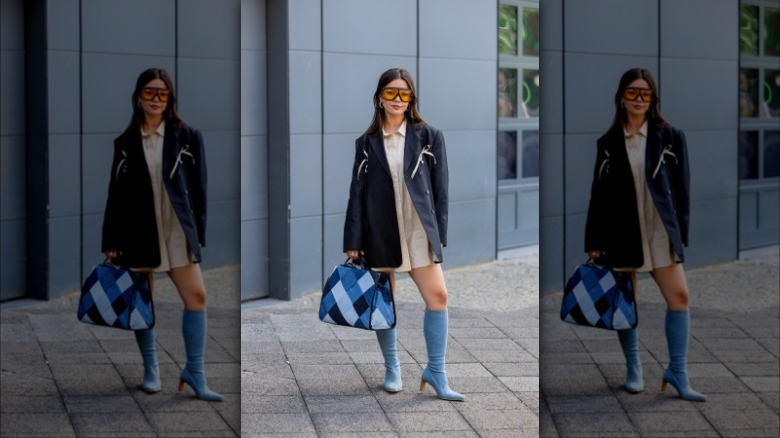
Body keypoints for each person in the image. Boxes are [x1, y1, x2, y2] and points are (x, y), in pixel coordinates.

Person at [585, 67, 705, 402]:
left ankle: (677, 371)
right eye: (632, 92)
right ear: (621, 98)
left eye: (645, 93)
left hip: (659, 231)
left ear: (653, 99)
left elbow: (682, 190)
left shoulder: (671, 137)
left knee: (679, 297)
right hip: (621, 233)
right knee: (626, 304)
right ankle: (634, 368)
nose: (639, 99)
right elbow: (598, 194)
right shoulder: (608, 143)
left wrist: (680, 235)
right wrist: (593, 241)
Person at [343, 68, 463, 401]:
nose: (398, 99)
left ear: (411, 99)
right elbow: (356, 194)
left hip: (419, 231)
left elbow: (441, 190)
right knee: (385, 303)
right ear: (379, 98)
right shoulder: (366, 143)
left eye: (404, 93)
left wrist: (439, 235)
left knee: (438, 297)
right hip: (380, 231)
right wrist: (353, 242)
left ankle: (436, 371)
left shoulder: (429, 136)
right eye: (391, 92)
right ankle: (392, 367)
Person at [102, 68, 222, 401]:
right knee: (143, 303)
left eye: (163, 93)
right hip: (138, 232)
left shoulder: (187, 136)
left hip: (176, 231)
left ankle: (194, 372)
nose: (156, 98)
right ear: (138, 97)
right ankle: (151, 368)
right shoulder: (125, 143)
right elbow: (115, 195)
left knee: (197, 298)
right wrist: (111, 241)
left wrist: (198, 235)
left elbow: (199, 190)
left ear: (170, 99)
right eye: (149, 92)